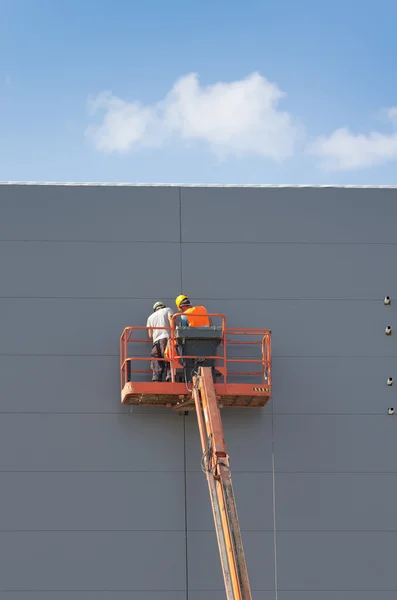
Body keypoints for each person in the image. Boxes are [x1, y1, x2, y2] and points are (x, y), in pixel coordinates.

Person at [146, 301, 173, 382]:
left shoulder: (150, 317)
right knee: (168, 357)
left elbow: (150, 335)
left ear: (155, 309)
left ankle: (156, 378)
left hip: (155, 341)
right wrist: (173, 334)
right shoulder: (167, 310)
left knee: (156, 360)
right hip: (166, 337)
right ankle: (170, 377)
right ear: (163, 306)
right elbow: (171, 321)